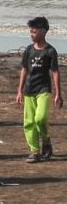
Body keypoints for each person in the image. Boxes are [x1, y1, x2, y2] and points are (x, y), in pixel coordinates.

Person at [17, 16, 61, 163]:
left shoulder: (50, 51)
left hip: (44, 89)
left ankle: (46, 140)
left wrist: (58, 93)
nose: (32, 34)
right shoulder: (29, 50)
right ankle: (34, 151)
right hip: (29, 89)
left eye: (34, 32)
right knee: (29, 122)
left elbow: (55, 72)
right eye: (30, 32)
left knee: (40, 118)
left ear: (43, 32)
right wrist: (19, 91)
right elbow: (24, 69)